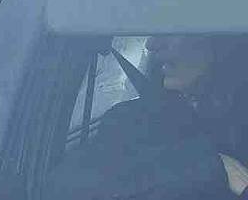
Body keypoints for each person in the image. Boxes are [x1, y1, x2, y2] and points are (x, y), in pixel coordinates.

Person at [43, 35, 248, 199]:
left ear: (223, 37)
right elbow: (62, 189)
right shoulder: (129, 121)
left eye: (173, 28)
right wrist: (208, 164)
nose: (152, 44)